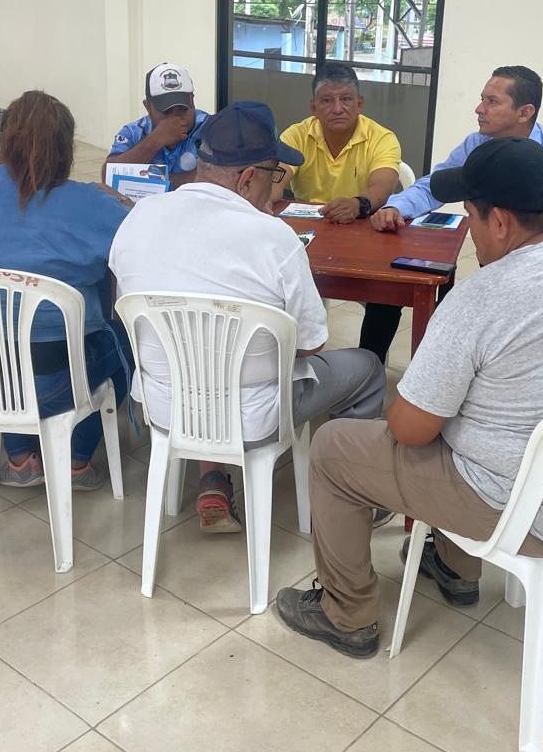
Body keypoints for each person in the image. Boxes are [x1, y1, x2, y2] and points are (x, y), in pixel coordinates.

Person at [274, 137, 543, 657]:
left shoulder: (486, 293)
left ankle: (346, 615)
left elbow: (409, 430)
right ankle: (454, 567)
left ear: (498, 221)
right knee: (469, 423)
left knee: (336, 446)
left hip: (530, 512)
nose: (470, 233)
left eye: (472, 218)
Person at [109, 100, 386, 533]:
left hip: (165, 407)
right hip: (254, 416)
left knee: (204, 357)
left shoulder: (139, 216)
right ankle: (350, 496)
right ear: (247, 178)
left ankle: (213, 479)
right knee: (368, 368)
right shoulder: (275, 238)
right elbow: (311, 344)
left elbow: (123, 303)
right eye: (274, 176)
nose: (275, 189)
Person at [0, 91, 133, 489]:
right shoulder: (90, 203)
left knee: (2, 332)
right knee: (124, 341)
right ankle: (75, 462)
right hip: (51, 382)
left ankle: (21, 458)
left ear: (5, 142)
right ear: (67, 148)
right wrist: (120, 201)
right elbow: (135, 240)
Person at [361, 65, 543, 362]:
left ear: (525, 112)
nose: (479, 109)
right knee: (420, 295)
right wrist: (396, 206)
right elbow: (435, 185)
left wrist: (537, 263)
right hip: (495, 259)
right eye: (482, 99)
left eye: (492, 102)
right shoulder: (478, 144)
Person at [272, 64, 402, 224]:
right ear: (313, 108)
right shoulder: (296, 135)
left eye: (346, 99)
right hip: (305, 226)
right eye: (327, 100)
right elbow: (273, 182)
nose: (337, 109)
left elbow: (382, 188)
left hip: (361, 225)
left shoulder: (382, 139)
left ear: (359, 104)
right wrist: (264, 198)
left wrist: (357, 205)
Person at [104, 62, 209, 187]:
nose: (175, 119)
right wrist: (154, 141)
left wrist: (155, 181)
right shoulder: (134, 132)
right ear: (147, 106)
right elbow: (108, 176)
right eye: (166, 111)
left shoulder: (211, 128)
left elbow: (218, 178)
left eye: (183, 109)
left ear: (192, 102)